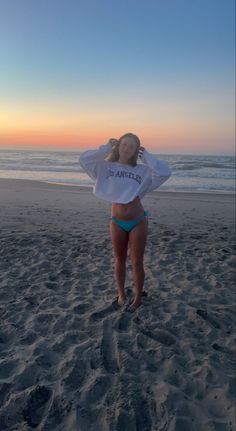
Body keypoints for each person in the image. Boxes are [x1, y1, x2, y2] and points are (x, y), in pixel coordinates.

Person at [79, 132, 172, 312]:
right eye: (124, 144)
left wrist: (146, 156)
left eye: (132, 146)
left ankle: (137, 298)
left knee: (137, 261)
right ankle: (121, 293)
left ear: (136, 150)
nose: (127, 148)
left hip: (138, 221)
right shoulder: (105, 168)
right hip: (117, 221)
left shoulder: (142, 171)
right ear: (118, 146)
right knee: (119, 259)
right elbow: (84, 159)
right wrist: (106, 147)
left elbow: (164, 172)